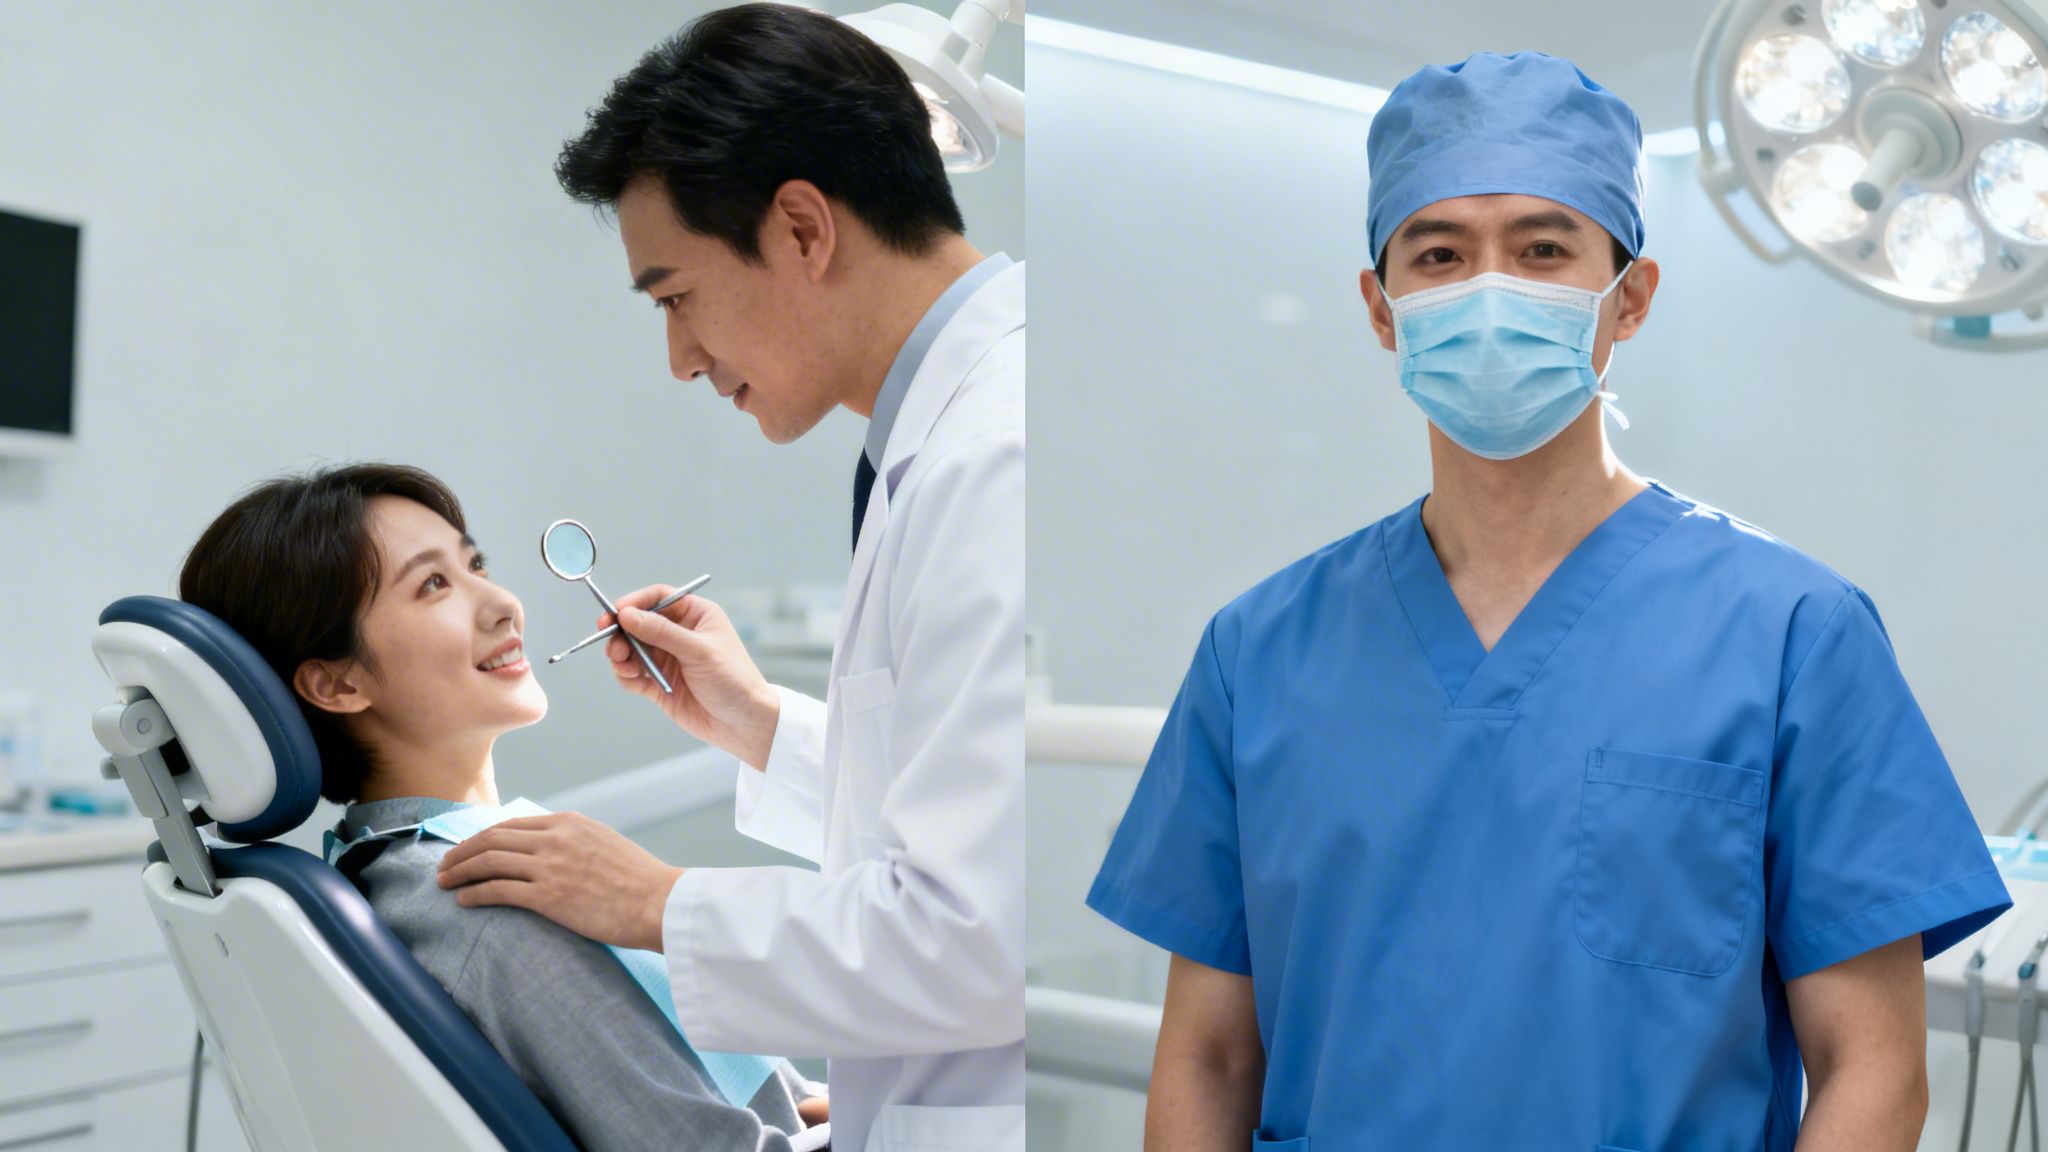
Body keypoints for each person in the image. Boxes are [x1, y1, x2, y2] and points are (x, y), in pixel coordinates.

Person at [1085, 52, 2010, 1152]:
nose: (1490, 288)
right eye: (1437, 255)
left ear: (1628, 299)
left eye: (1540, 249)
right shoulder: (1258, 653)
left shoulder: (1789, 635)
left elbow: (1872, 1070)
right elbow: (1208, 1057)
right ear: (1381, 312)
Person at [434, 7, 1025, 1150]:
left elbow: (974, 939)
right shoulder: (938, 437)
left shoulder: (992, 455)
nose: (681, 359)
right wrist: (760, 727)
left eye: (675, 297)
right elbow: (938, 822)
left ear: (802, 227)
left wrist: (652, 903)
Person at [178, 463, 827, 1152]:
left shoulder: (402, 866)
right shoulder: (496, 907)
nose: (501, 604)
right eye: (433, 585)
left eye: (475, 564)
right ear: (337, 683)